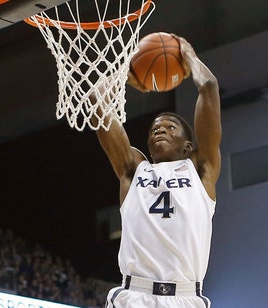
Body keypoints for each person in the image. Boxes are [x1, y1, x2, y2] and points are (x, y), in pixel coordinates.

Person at [91, 34, 221, 308]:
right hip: (134, 296)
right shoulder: (133, 169)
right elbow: (96, 104)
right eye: (154, 129)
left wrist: (189, 57)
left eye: (170, 126)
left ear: (188, 145)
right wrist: (124, 71)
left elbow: (208, 88)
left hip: (186, 298)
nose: (160, 129)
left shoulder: (200, 168)